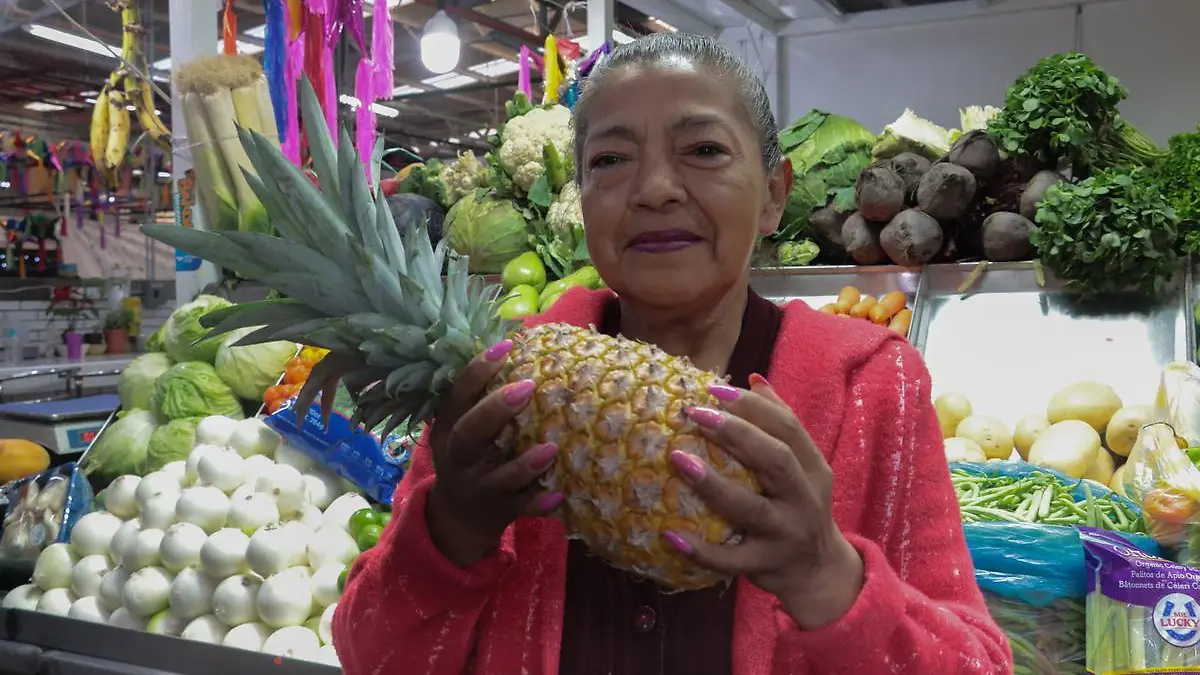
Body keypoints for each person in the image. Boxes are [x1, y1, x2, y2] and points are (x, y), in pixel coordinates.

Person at [331, 32, 1011, 675]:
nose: (655, 187)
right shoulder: (495, 389)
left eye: (705, 150)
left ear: (775, 194)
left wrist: (827, 575)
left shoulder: (872, 382)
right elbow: (372, 654)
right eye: (610, 160)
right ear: (582, 196)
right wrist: (449, 531)